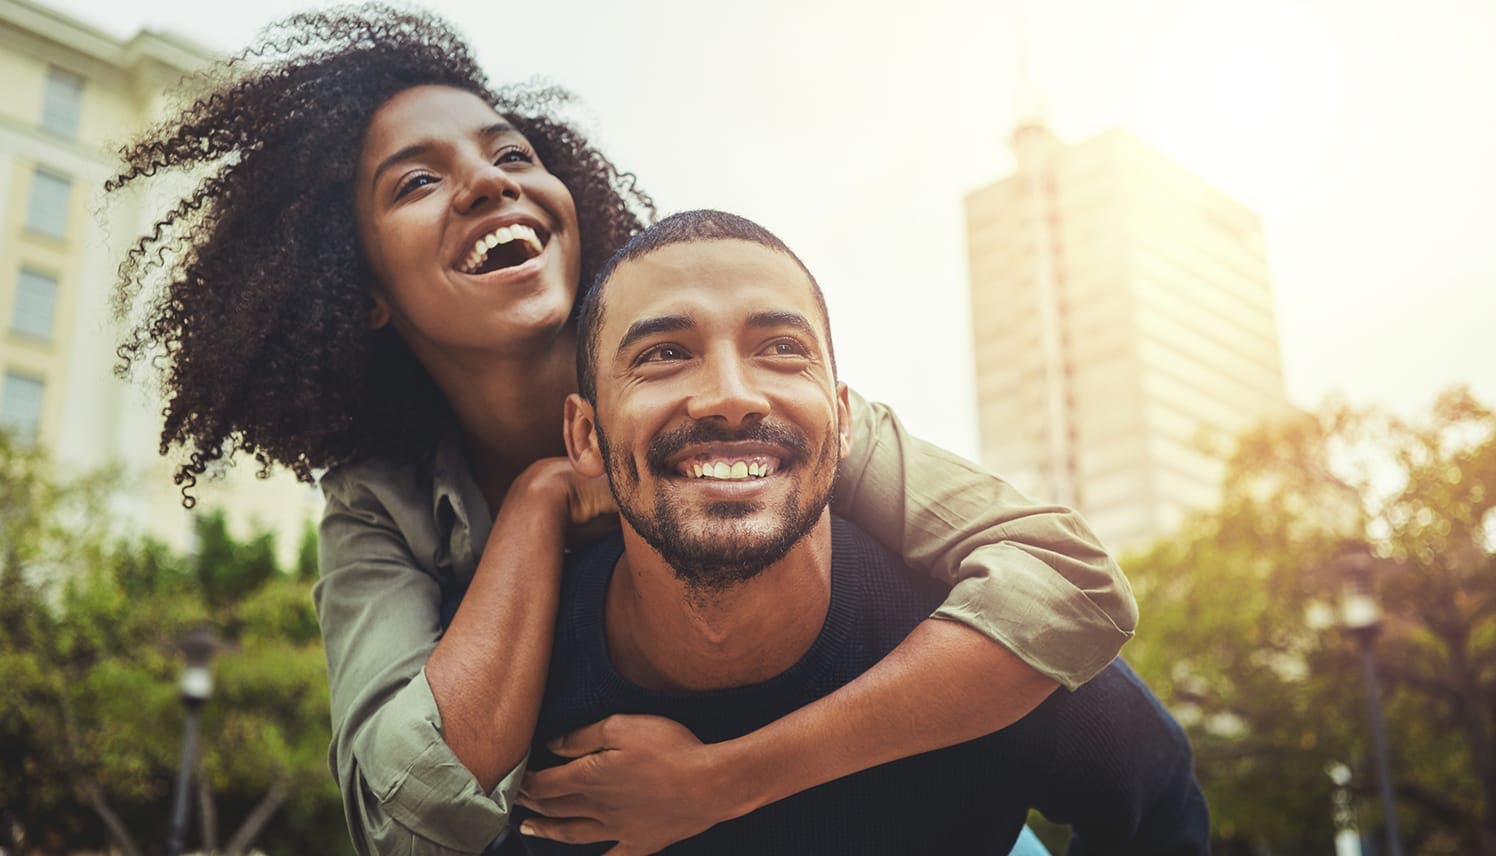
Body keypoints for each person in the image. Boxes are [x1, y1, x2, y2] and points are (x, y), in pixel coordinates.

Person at [107, 7, 1138, 855]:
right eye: (416, 182)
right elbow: (408, 812)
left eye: (510, 152)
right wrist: (541, 500)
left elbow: (1067, 585)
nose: (486, 182)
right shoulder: (377, 502)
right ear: (361, 289)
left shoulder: (737, 393)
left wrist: (721, 779)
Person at [511, 209, 1209, 854]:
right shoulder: (527, 691)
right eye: (664, 354)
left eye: (781, 348)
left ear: (845, 420)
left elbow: (1159, 799)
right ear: (584, 435)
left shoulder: (984, 651)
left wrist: (720, 781)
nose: (730, 395)